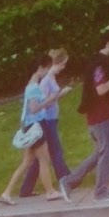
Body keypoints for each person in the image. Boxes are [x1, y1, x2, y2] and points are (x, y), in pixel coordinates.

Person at [64, 28, 109, 202]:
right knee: (106, 150)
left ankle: (69, 181)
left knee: (100, 153)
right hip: (99, 115)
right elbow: (100, 90)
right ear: (108, 44)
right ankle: (101, 192)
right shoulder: (99, 65)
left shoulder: (99, 62)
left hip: (99, 114)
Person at [0, 56, 67, 205]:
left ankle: (7, 193)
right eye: (46, 69)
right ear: (40, 68)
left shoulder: (31, 86)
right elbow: (34, 108)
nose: (47, 72)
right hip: (36, 125)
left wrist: (51, 99)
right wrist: (51, 98)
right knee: (44, 159)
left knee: (27, 162)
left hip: (31, 126)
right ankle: (50, 191)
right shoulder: (33, 87)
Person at [19, 49, 72, 197]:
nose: (64, 67)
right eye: (63, 64)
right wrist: (57, 95)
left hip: (49, 119)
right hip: (46, 120)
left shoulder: (48, 78)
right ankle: (65, 180)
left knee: (39, 158)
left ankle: (26, 188)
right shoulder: (43, 81)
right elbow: (38, 105)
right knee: (53, 153)